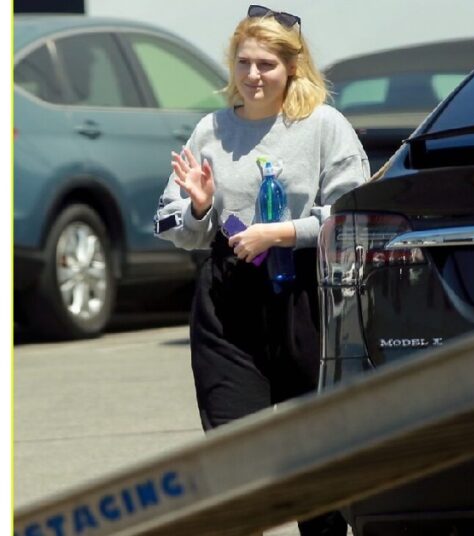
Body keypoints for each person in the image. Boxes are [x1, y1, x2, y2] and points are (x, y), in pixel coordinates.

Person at [153, 5, 368, 535]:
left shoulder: (323, 126)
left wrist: (283, 233)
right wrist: (200, 207)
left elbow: (352, 214)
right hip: (230, 301)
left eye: (266, 64)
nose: (253, 76)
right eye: (244, 62)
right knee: (236, 459)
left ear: (292, 67)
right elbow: (168, 220)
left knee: (312, 459)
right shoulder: (212, 129)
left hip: (307, 298)